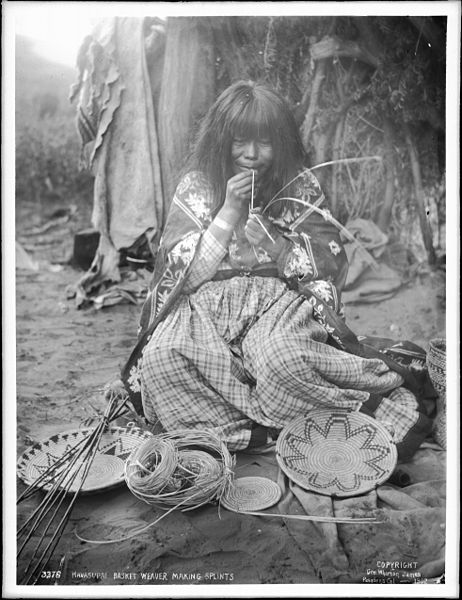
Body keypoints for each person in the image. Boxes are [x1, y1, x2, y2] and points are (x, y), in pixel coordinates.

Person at [120, 80, 432, 459]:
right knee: (163, 358)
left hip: (277, 305)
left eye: (264, 143)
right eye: (239, 141)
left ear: (280, 142)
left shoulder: (298, 185)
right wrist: (228, 212)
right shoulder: (197, 186)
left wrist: (278, 246)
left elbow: (327, 264)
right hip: (205, 307)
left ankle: (261, 427)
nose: (251, 154)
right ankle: (260, 432)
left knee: (282, 359)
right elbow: (181, 275)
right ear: (221, 140)